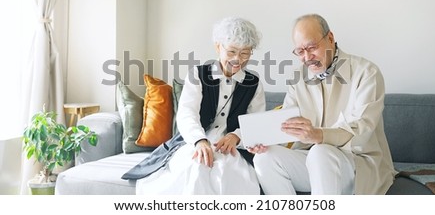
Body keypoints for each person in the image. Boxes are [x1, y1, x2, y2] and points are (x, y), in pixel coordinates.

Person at [249, 13, 396, 195]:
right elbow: (287, 123)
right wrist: (264, 141)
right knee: (264, 158)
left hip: (356, 164)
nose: (307, 57)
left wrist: (319, 135)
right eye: (300, 51)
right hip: (311, 161)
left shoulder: (366, 72)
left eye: (312, 47)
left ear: (331, 38)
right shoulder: (298, 77)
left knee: (320, 152)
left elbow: (361, 130)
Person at [132, 17, 265, 194]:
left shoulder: (254, 83)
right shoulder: (198, 74)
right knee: (197, 167)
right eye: (232, 51)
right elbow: (187, 113)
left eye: (245, 53)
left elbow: (256, 121)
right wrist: (199, 141)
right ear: (218, 47)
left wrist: (236, 136)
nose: (237, 60)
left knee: (229, 173)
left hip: (232, 147)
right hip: (194, 141)